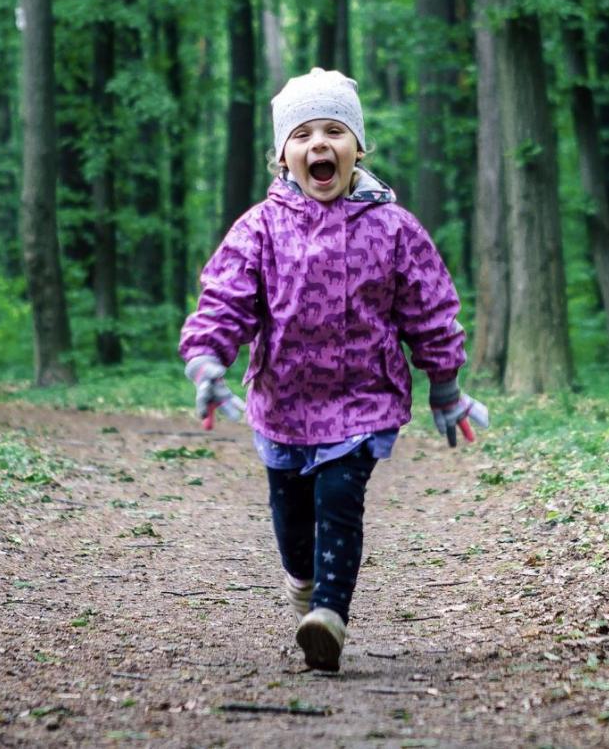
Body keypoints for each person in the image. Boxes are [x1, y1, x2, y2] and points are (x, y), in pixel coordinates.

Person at [178, 68, 488, 671]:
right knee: (293, 521)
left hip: (362, 402)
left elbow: (429, 306)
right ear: (283, 156)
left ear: (357, 149)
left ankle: (330, 616)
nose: (319, 144)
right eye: (304, 134)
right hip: (283, 403)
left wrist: (445, 384)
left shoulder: (393, 228)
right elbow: (226, 299)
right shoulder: (260, 228)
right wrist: (207, 360)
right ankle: (302, 580)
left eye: (334, 131)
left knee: (340, 500)